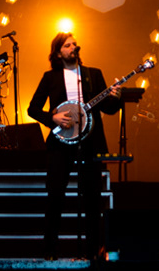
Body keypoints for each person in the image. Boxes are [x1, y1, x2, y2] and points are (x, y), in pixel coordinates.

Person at [28, 32, 122, 258]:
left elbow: (108, 109)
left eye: (74, 44)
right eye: (67, 45)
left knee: (92, 198)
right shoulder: (50, 77)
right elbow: (33, 108)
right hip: (61, 143)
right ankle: (50, 251)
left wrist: (116, 97)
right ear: (58, 53)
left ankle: (93, 252)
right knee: (55, 195)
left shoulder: (92, 74)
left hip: (90, 141)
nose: (73, 47)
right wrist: (52, 118)